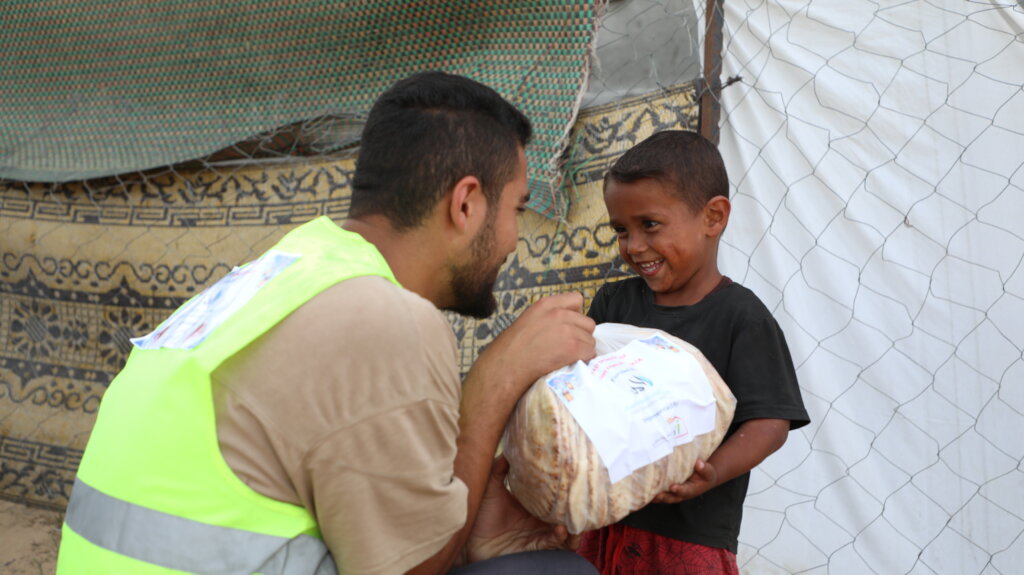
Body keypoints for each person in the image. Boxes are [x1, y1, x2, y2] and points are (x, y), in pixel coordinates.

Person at [57, 71, 600, 575]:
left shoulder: (286, 272)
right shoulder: (384, 317)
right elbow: (412, 569)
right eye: (517, 209)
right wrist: (495, 381)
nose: (514, 237)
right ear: (466, 204)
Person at [576, 130, 810, 575]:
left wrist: (712, 473)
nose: (633, 246)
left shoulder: (741, 317)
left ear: (713, 217)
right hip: (603, 520)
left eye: (650, 225)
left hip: (688, 537)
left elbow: (770, 423)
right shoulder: (613, 304)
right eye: (621, 230)